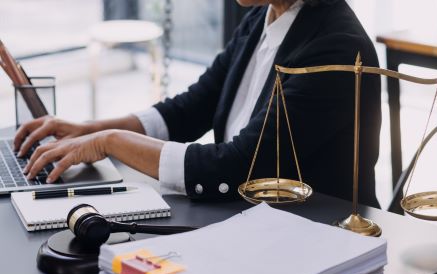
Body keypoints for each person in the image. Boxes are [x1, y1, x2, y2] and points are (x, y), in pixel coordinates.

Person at [15, 0, 381, 208]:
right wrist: (87, 130)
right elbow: (192, 108)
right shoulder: (263, 17)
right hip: (252, 222)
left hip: (315, 243)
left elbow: (242, 166)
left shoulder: (336, 47)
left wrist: (108, 142)